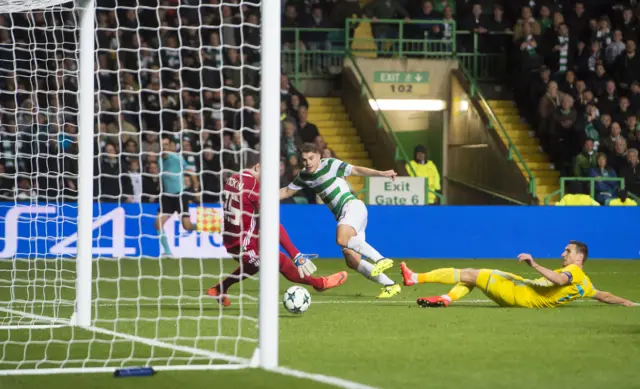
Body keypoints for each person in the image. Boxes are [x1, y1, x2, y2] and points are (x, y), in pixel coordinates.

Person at [206, 153, 347, 307]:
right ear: (257, 167)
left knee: (260, 262)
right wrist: (296, 255)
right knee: (277, 261)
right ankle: (320, 283)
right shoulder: (255, 189)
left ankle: (220, 288)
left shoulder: (233, 179)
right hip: (243, 243)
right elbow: (272, 224)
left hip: (233, 235)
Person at [280, 143, 401, 299]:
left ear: (319, 156)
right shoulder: (304, 175)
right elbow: (287, 191)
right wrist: (262, 196)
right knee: (352, 260)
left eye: (311, 158)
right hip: (348, 215)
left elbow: (356, 169)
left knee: (341, 238)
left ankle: (381, 259)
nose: (308, 163)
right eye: (304, 160)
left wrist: (381, 173)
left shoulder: (330, 164)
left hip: (352, 207)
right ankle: (391, 285)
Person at [400, 241, 636, 308]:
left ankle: (415, 278)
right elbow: (602, 295)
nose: (563, 253)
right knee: (471, 278)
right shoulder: (585, 285)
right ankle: (447, 299)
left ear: (579, 258)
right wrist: (628, 302)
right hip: (522, 296)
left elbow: (560, 280)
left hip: (517, 292)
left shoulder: (572, 271)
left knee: (469, 272)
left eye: (568, 251)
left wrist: (533, 263)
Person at [155, 136, 198, 256]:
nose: (164, 147)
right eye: (162, 145)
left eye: (166, 145)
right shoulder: (159, 160)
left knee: (187, 226)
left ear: (170, 146)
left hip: (180, 195)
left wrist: (196, 189)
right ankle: (168, 252)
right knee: (158, 223)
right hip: (167, 197)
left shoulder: (176, 158)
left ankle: (213, 227)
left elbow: (191, 172)